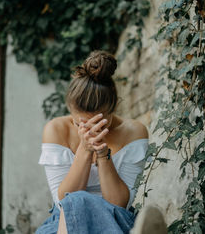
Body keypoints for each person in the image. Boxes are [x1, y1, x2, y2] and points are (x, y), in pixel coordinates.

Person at [35, 50, 167, 234]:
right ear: (70, 111)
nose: (90, 130)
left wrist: (103, 154)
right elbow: (63, 201)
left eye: (98, 123)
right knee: (76, 200)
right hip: (63, 224)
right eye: (80, 123)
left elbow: (119, 204)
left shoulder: (133, 132)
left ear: (112, 110)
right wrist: (85, 148)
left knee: (88, 203)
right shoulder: (56, 130)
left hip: (114, 220)